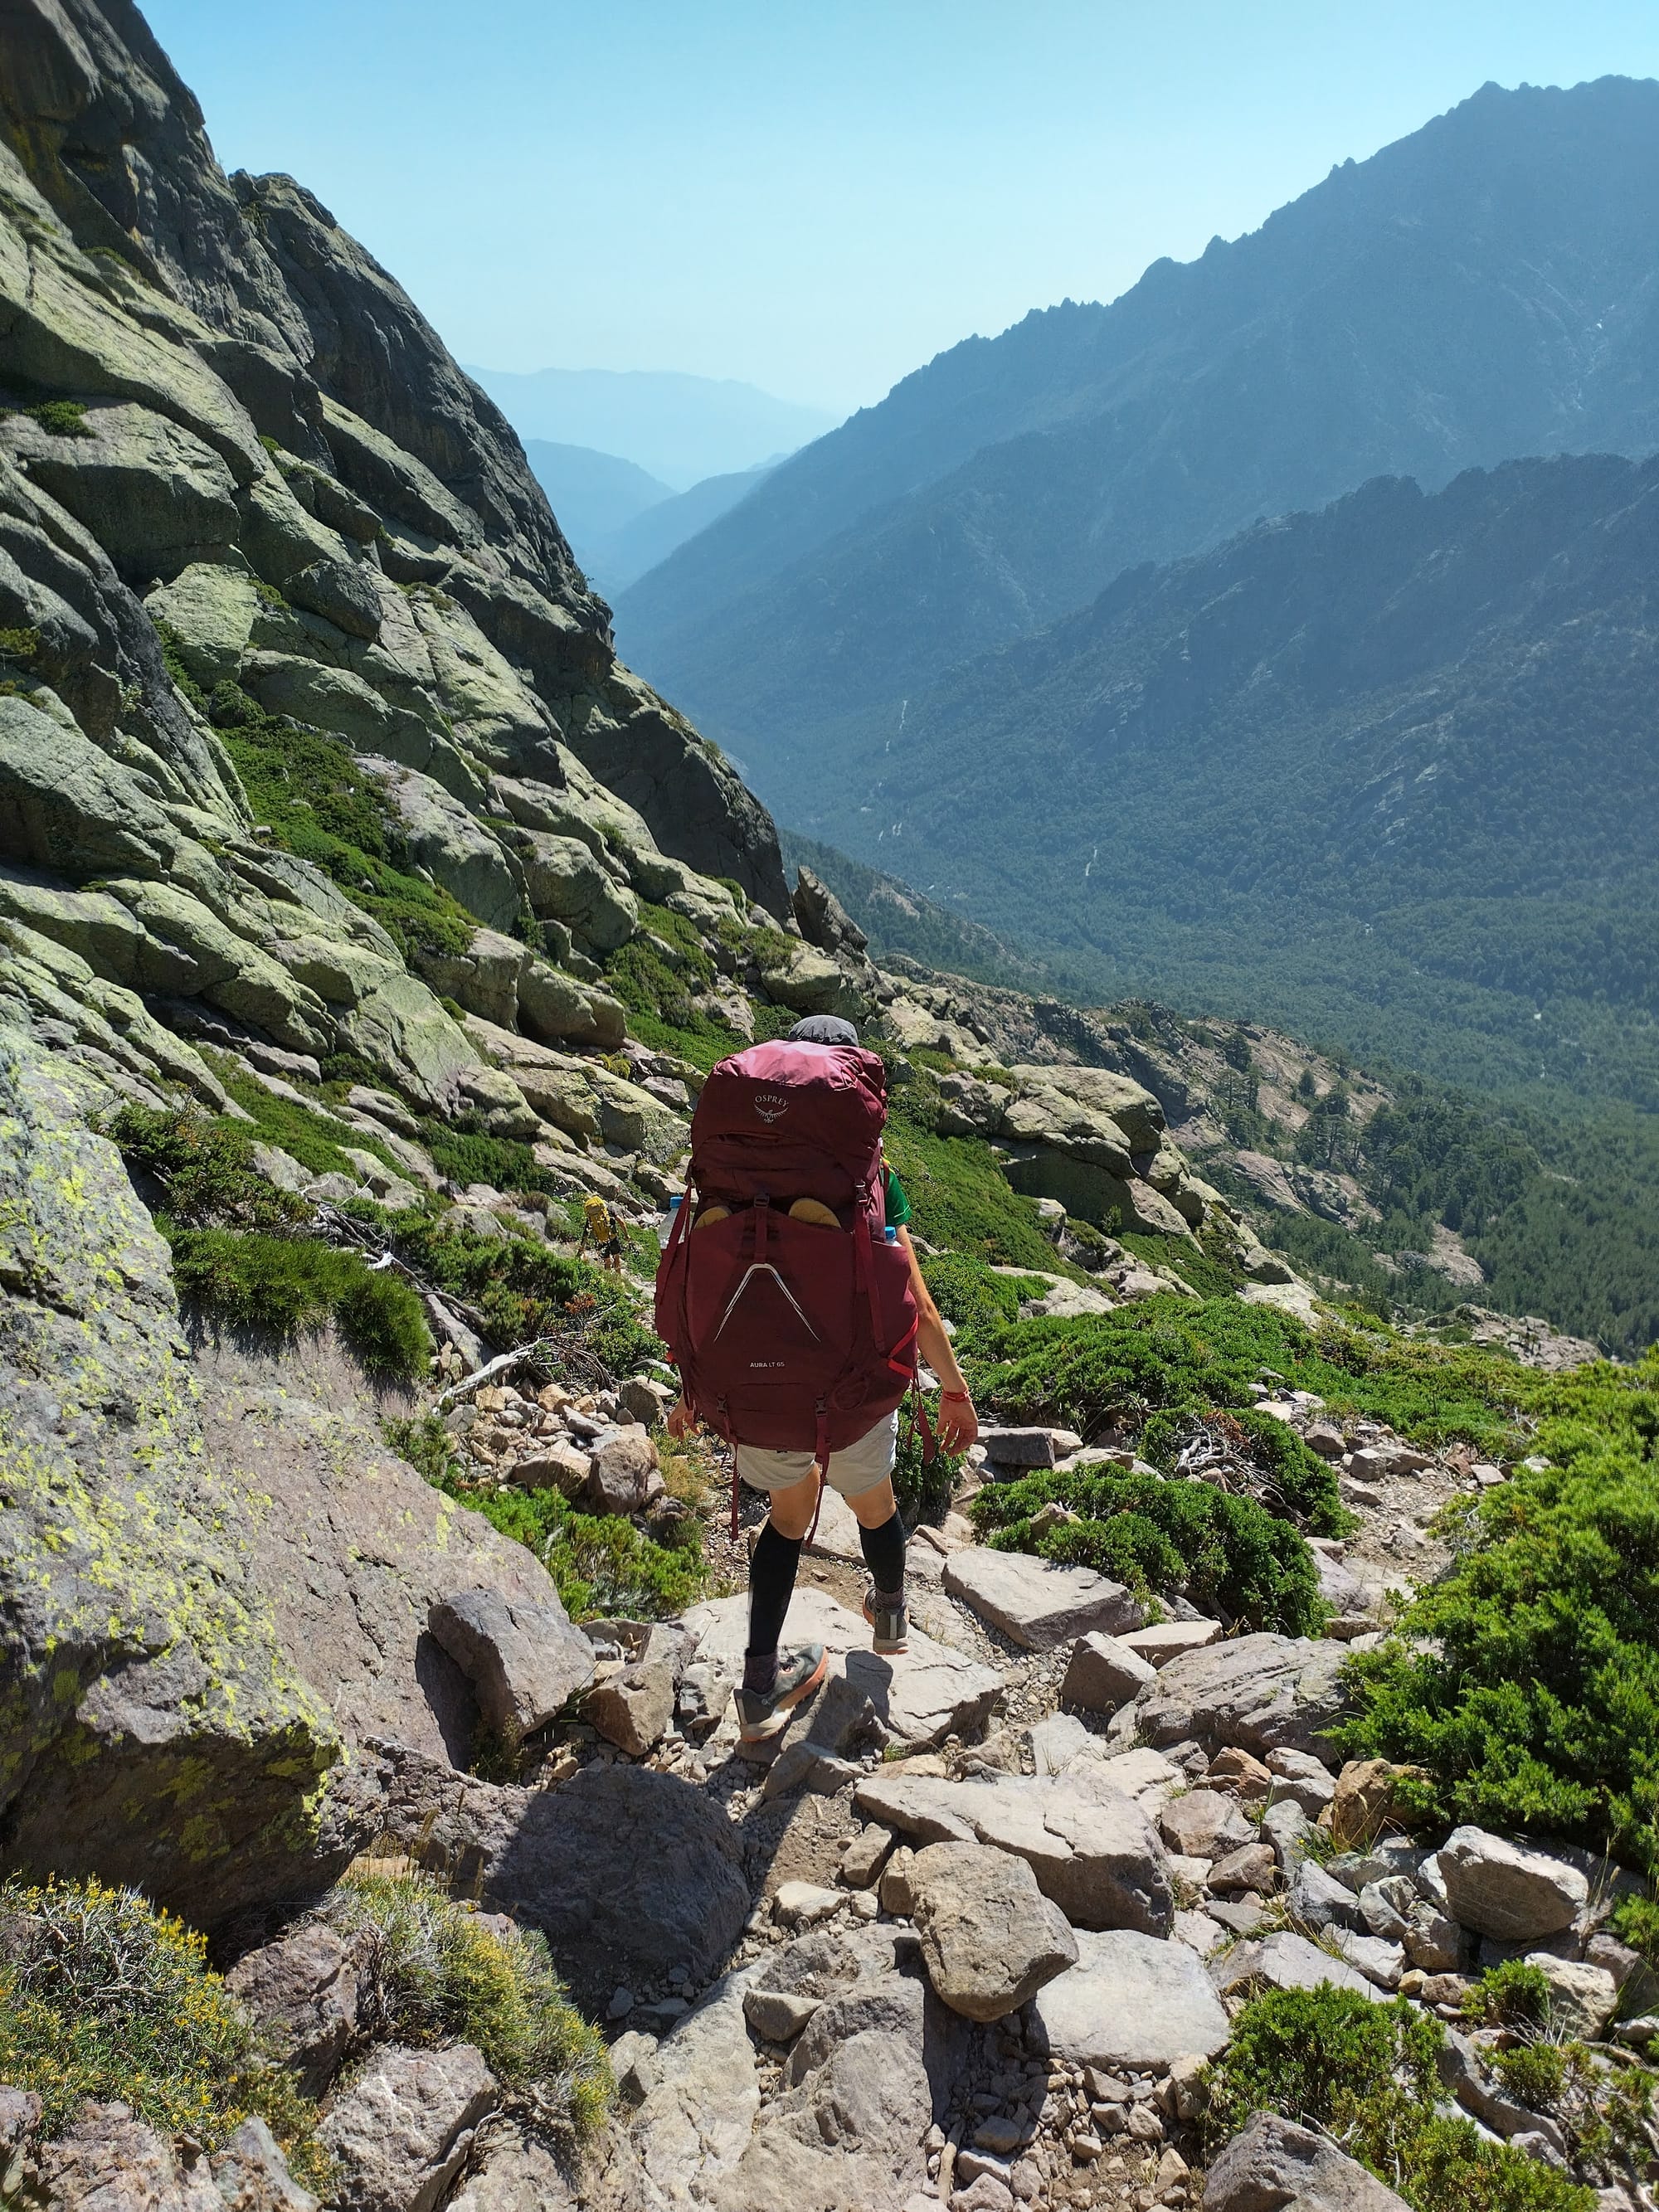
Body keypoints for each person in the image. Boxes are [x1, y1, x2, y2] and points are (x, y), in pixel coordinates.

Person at [667, 1014, 979, 1746]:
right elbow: (913, 1295)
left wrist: (690, 1388)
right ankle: (892, 1614)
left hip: (752, 1391)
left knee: (785, 1516)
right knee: (875, 1506)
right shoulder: (867, 1174)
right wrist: (954, 1389)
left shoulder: (725, 1167)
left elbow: (697, 1280)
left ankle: (756, 1688)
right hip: (848, 1391)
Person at [581, 1191, 625, 1276]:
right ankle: (619, 1279)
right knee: (616, 1257)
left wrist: (582, 1246)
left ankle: (609, 1280)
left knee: (607, 1260)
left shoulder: (591, 1215)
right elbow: (621, 1222)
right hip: (612, 1237)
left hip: (600, 1239)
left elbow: (586, 1232)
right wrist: (627, 1235)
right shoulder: (608, 1209)